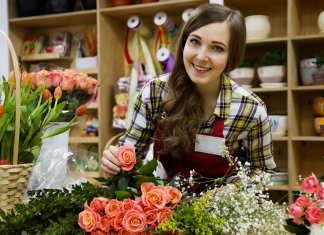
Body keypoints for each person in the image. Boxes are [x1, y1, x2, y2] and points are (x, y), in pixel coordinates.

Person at [101, 3, 276, 186]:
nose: (201, 56)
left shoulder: (250, 109)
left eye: (217, 48)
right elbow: (130, 153)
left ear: (232, 55)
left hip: (221, 211)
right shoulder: (155, 92)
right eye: (195, 41)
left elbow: (263, 172)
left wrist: (228, 196)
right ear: (184, 42)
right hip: (163, 206)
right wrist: (116, 160)